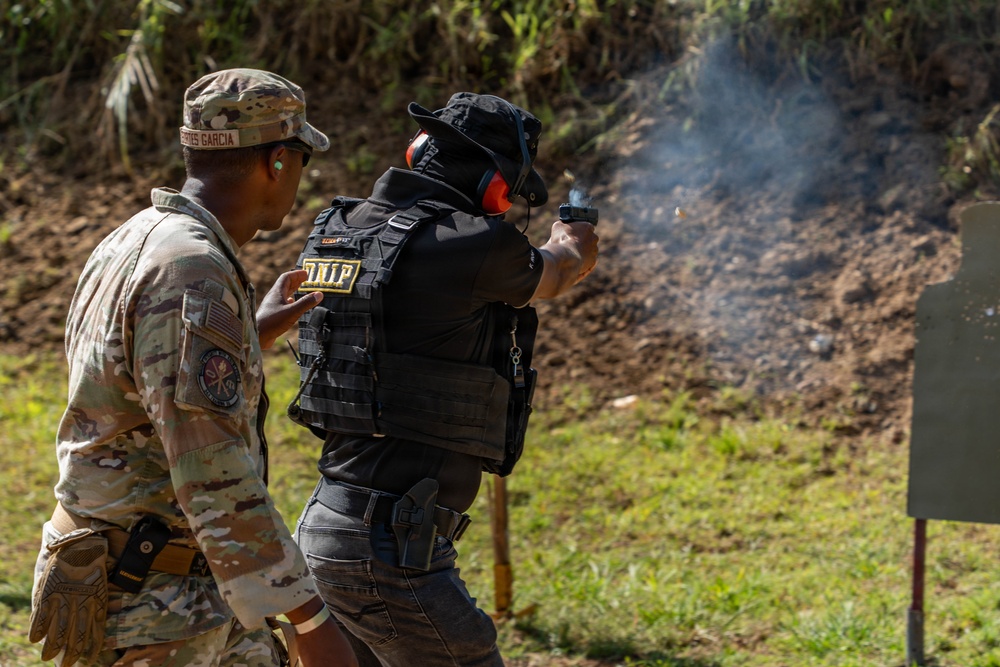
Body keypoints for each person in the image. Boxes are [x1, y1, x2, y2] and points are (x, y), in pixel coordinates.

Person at [29, 68, 356, 667]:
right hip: (156, 604)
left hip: (167, 582)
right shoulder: (191, 271)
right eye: (302, 163)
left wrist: (249, 335)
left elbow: (134, 386)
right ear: (278, 161)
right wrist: (310, 620)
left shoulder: (133, 238)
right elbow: (211, 468)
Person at [288, 92, 599, 666]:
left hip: (326, 525)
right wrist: (574, 237)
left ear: (417, 151)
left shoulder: (340, 227)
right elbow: (558, 271)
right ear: (496, 189)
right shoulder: (475, 243)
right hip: (389, 551)